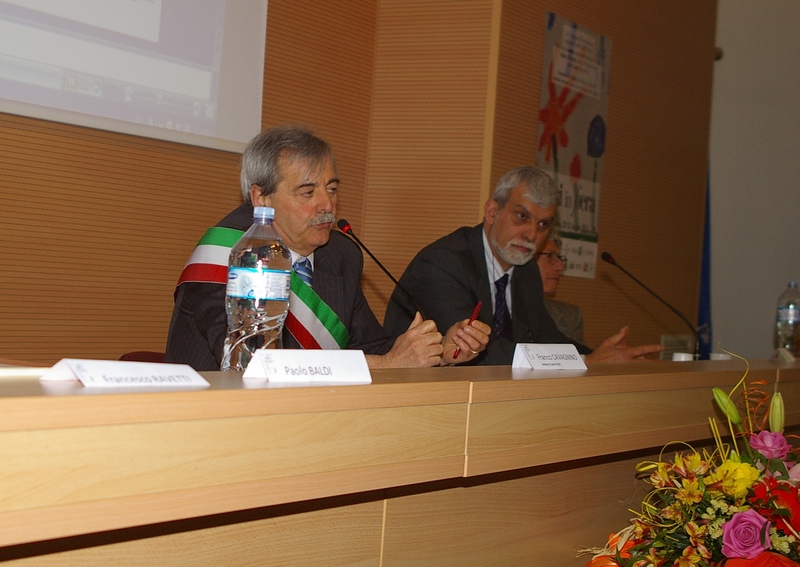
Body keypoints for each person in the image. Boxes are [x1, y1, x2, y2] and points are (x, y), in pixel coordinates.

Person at [165, 126, 489, 371]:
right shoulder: (229, 255)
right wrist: (389, 363)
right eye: (308, 193)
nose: (327, 205)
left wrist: (440, 350)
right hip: (211, 421)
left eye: (331, 189)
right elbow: (255, 365)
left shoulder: (340, 255)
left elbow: (372, 347)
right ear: (261, 198)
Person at [384, 165, 663, 365]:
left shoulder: (525, 271)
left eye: (543, 224)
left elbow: (546, 338)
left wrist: (599, 355)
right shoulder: (444, 263)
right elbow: (476, 352)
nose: (532, 234)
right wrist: (588, 361)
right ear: (492, 211)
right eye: (521, 216)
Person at [535, 236, 585, 344]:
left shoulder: (570, 317)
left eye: (559, 258)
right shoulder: (498, 306)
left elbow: (579, 356)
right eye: (550, 257)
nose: (560, 267)